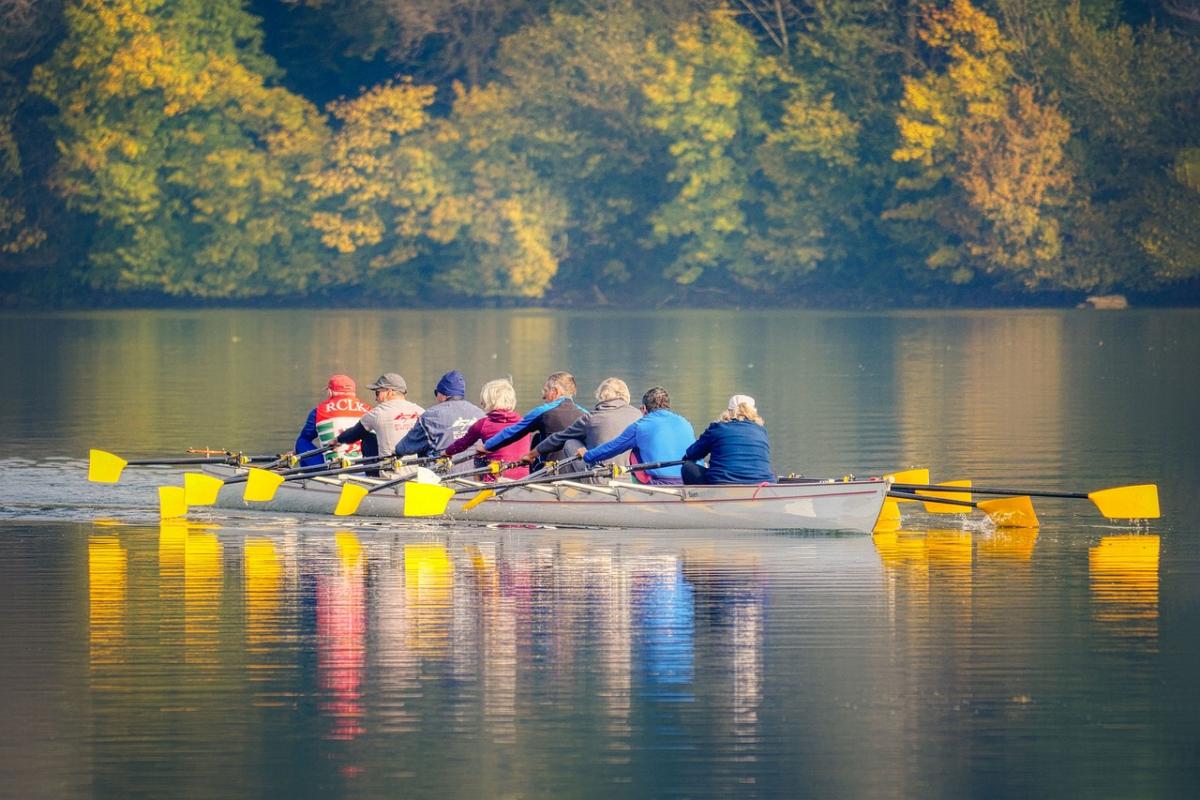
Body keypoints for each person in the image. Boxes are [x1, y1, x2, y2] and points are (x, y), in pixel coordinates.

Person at [521, 377, 642, 472]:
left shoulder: (591, 418)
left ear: (601, 397)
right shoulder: (639, 416)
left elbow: (558, 438)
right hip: (629, 474)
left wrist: (531, 454)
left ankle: (567, 481)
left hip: (599, 477)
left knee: (570, 442)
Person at [579, 386, 695, 484]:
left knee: (635, 451)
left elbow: (612, 448)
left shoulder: (640, 426)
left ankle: (640, 489)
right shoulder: (685, 422)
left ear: (643, 408)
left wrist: (587, 455)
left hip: (662, 483)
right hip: (691, 480)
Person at [480, 371, 586, 463]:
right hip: (580, 471)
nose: (543, 396)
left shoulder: (543, 411)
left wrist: (486, 446)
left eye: (545, 391)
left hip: (552, 474)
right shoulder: (586, 415)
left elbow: (512, 432)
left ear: (555, 391)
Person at [335, 373, 425, 475]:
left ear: (389, 392)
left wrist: (337, 440)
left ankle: (371, 478)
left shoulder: (377, 413)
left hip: (390, 476)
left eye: (377, 393)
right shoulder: (421, 412)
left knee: (368, 437)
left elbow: (353, 435)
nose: (376, 399)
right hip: (417, 475)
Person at [445, 378, 532, 481]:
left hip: (497, 479)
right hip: (524, 479)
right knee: (482, 451)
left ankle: (478, 486)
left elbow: (461, 445)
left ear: (487, 401)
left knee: (478, 453)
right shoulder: (525, 423)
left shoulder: (483, 424)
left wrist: (447, 453)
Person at [682, 394, 776, 485]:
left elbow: (692, 454)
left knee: (688, 467)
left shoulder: (718, 428)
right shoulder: (761, 431)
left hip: (723, 482)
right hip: (762, 483)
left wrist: (687, 458)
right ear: (753, 412)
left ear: (729, 411)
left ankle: (698, 499)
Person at [393, 370, 484, 458]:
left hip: (442, 472)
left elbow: (406, 447)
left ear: (444, 395)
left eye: (436, 393)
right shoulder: (480, 414)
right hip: (475, 470)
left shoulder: (431, 416)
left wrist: (396, 451)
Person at [293, 374, 372, 468]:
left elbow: (306, 438)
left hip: (331, 467)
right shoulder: (369, 410)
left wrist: (297, 452)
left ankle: (306, 478)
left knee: (301, 442)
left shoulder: (318, 411)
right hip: (362, 465)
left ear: (330, 392)